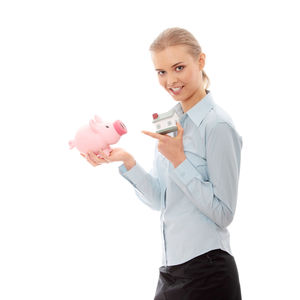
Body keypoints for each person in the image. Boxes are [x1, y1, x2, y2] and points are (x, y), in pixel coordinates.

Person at [81, 27, 243, 300]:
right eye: (161, 72)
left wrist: (179, 160)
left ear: (200, 61)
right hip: (170, 272)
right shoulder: (167, 122)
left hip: (209, 272)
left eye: (179, 67)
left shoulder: (218, 125)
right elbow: (160, 199)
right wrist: (127, 162)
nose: (171, 80)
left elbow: (224, 214)